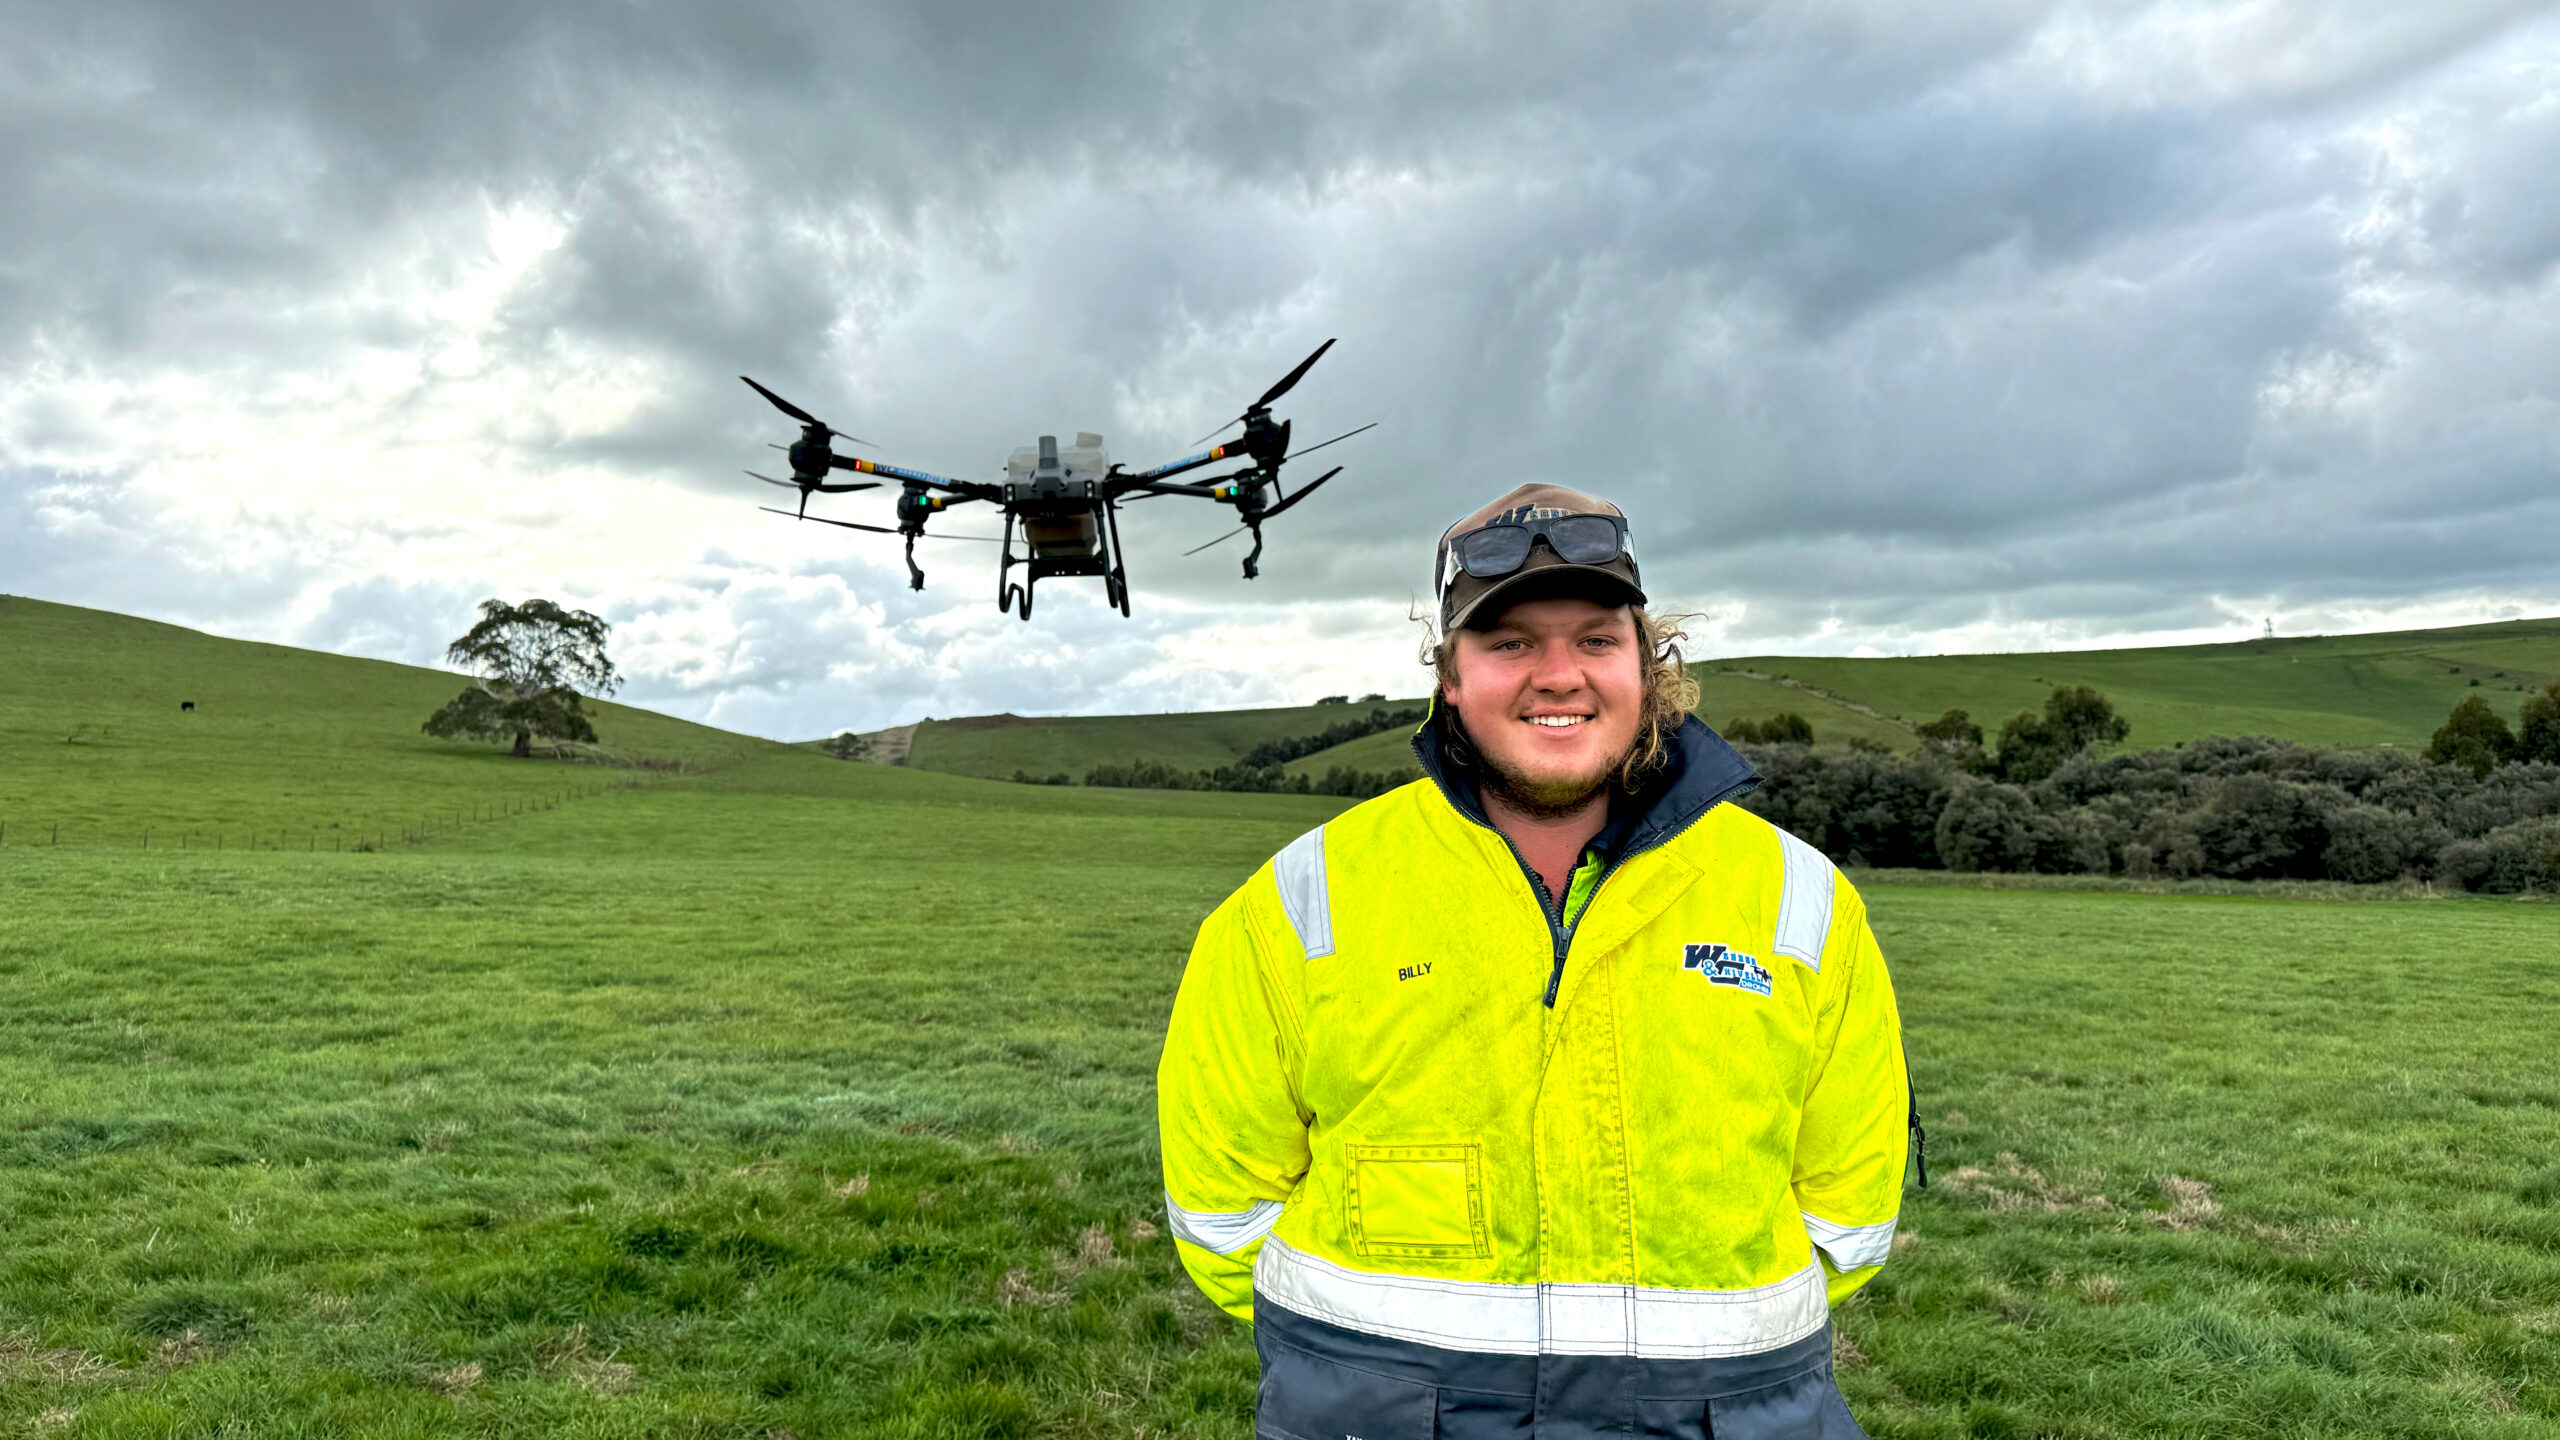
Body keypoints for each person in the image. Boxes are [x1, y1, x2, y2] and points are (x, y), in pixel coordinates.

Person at [1157, 483, 1916, 1439]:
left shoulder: (1798, 901)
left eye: (1596, 639)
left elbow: (1849, 1217)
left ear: (1649, 664)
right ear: (1450, 678)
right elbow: (1223, 1208)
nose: (1558, 675)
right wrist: (1368, 1363)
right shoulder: (1298, 900)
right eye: (1509, 642)